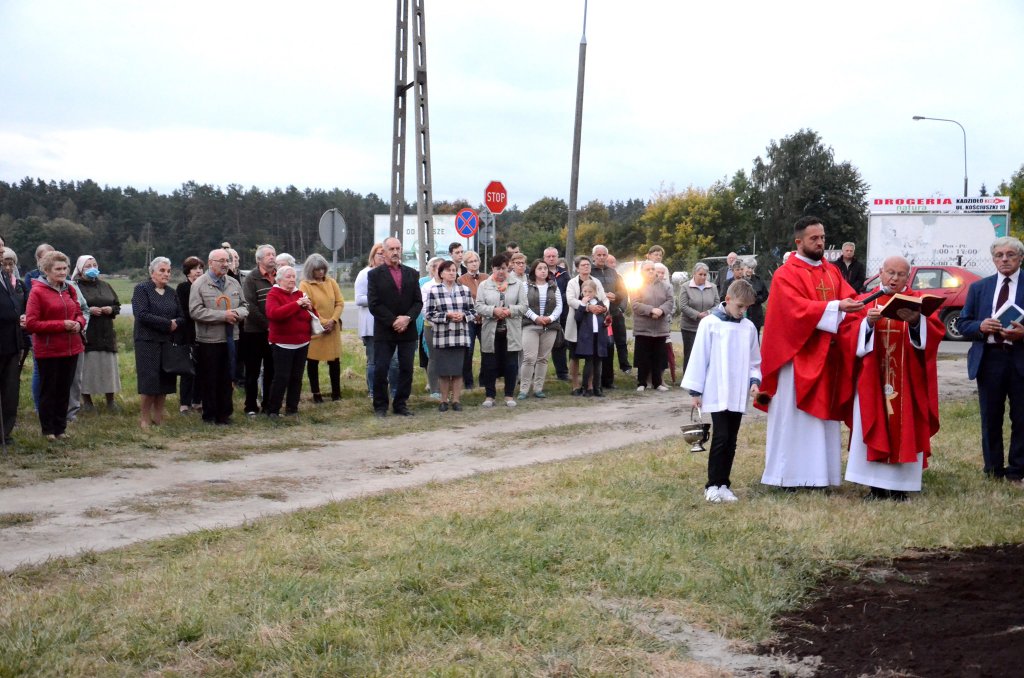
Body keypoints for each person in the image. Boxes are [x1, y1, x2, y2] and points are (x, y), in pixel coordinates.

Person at [756, 216, 864, 488]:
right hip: (795, 356)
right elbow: (792, 311)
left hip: (826, 355)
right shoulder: (786, 274)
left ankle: (821, 476)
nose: (820, 243)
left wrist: (865, 309)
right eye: (814, 238)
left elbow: (851, 300)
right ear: (799, 241)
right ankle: (787, 476)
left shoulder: (832, 271)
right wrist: (835, 308)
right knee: (793, 419)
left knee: (822, 421)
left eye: (823, 238)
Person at [844, 256, 944, 500]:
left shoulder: (917, 302)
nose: (895, 278)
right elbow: (848, 336)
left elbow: (933, 336)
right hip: (872, 380)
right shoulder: (865, 301)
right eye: (890, 272)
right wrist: (867, 324)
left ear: (908, 276)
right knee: (874, 423)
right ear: (880, 272)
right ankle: (875, 488)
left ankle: (900, 489)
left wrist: (915, 323)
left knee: (905, 426)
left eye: (901, 274)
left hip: (906, 381)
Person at [681, 279, 762, 503]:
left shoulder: (748, 328)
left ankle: (724, 484)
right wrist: (695, 392)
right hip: (717, 390)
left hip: (737, 393)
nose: (743, 311)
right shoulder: (710, 324)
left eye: (747, 307)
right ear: (727, 300)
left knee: (732, 439)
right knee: (721, 437)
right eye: (739, 306)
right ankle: (712, 485)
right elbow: (699, 356)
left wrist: (754, 381)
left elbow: (755, 361)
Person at [958, 236, 1024, 481]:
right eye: (999, 255)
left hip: (1020, 358)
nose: (1004, 259)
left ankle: (1017, 471)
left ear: (1020, 258)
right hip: (990, 360)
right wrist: (981, 325)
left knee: (1021, 418)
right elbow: (963, 324)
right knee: (990, 417)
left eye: (1010, 255)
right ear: (993, 259)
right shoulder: (979, 288)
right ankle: (993, 470)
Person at [25, 251, 85, 441]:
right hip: (49, 350)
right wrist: (62, 325)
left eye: (65, 268)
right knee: (48, 391)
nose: (62, 272)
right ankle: (48, 429)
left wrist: (79, 323)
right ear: (47, 271)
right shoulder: (37, 292)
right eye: (58, 269)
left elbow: (79, 311)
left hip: (71, 348)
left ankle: (61, 428)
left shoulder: (70, 289)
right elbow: (32, 324)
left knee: (64, 390)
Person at [190, 248, 249, 425]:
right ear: (210, 263)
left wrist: (236, 314)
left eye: (227, 261)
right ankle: (210, 415)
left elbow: (245, 305)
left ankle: (225, 414)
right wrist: (223, 316)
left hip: (232, 339)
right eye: (220, 261)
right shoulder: (199, 284)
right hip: (209, 340)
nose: (225, 264)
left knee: (227, 377)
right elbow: (195, 311)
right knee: (210, 378)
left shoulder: (233, 283)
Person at [368, 236, 422, 417]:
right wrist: (393, 321)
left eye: (398, 249)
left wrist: (407, 318)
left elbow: (417, 302)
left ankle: (401, 404)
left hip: (408, 329)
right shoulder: (374, 275)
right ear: (383, 252)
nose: (395, 252)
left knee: (406, 368)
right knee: (381, 368)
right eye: (391, 249)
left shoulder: (412, 273)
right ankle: (381, 406)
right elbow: (374, 304)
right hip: (385, 329)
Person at [132, 257, 185, 429]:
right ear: (152, 272)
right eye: (162, 270)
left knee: (165, 380)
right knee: (149, 382)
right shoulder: (142, 289)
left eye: (168, 271)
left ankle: (159, 416)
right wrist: (167, 323)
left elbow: (181, 316)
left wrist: (176, 322)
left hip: (166, 342)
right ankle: (145, 418)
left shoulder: (171, 292)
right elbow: (142, 314)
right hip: (147, 342)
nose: (166, 274)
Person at [476, 253, 527, 408]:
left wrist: (509, 310)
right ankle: (490, 395)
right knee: (489, 365)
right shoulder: (484, 285)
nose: (500, 272)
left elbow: (524, 306)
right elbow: (478, 305)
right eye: (497, 268)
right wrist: (493, 311)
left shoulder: (517, 284)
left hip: (510, 331)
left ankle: (509, 395)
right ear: (492, 268)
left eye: (504, 268)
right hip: (490, 331)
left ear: (508, 268)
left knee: (511, 364)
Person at [72, 255, 121, 412]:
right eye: (88, 266)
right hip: (88, 333)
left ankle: (110, 401)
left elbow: (117, 305)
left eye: (94, 264)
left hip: (106, 332)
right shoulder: (75, 287)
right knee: (87, 369)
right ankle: (87, 401)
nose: (92, 268)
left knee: (108, 368)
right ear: (80, 269)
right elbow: (73, 307)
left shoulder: (106, 285)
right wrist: (89, 310)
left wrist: (110, 309)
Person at [265, 265, 315, 417]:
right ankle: (273, 410)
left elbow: (312, 315)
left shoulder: (300, 293)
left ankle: (292, 408)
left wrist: (310, 307)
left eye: (294, 276)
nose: (292, 279)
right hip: (282, 344)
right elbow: (274, 314)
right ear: (279, 279)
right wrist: (297, 304)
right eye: (288, 276)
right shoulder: (274, 294)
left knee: (297, 377)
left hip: (302, 342)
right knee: (281, 377)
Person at [425, 260, 475, 411]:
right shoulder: (434, 291)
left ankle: (456, 400)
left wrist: (463, 316)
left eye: (454, 270)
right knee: (444, 371)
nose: (452, 273)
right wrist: (447, 316)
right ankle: (443, 400)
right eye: (448, 270)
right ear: (441, 273)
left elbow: (473, 311)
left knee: (458, 370)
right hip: (443, 335)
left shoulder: (464, 290)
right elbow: (429, 314)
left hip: (461, 335)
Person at [300, 254, 344, 403]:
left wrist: (333, 320)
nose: (321, 272)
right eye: (317, 269)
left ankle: (336, 393)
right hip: (316, 329)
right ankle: (316, 394)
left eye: (323, 269)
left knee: (334, 361)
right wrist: (324, 322)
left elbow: (340, 302)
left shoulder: (331, 282)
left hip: (333, 329)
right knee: (313, 361)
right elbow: (308, 307)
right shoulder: (305, 285)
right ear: (310, 270)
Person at [355, 243, 397, 399]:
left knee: (394, 361)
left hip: (390, 324)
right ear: (373, 256)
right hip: (371, 325)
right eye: (379, 253)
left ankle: (394, 391)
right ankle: (374, 392)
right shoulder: (365, 274)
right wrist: (378, 299)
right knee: (374, 361)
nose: (382, 256)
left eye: (384, 253)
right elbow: (359, 299)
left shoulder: (392, 273)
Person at [518, 258, 563, 399]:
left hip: (549, 327)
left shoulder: (553, 286)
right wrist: (536, 318)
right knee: (529, 358)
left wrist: (549, 319)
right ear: (534, 271)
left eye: (545, 268)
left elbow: (559, 306)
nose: (543, 271)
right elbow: (523, 305)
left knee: (543, 359)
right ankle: (524, 389)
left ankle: (538, 388)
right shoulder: (525, 286)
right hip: (530, 325)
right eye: (540, 268)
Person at [241, 244, 277, 416]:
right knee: (253, 371)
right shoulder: (251, 279)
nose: (272, 257)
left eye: (274, 254)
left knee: (272, 369)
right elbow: (250, 306)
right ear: (259, 260)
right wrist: (268, 325)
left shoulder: (279, 276)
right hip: (254, 332)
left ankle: (268, 404)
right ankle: (250, 406)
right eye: (268, 255)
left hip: (275, 333)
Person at [564, 256, 607, 395]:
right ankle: (575, 385)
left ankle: (590, 385)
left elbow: (604, 298)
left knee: (592, 357)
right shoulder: (572, 282)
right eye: (582, 265)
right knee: (575, 356)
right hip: (577, 323)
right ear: (577, 268)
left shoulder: (596, 282)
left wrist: (603, 309)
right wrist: (587, 307)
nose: (586, 267)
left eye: (588, 264)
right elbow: (570, 300)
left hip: (593, 324)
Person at [591, 245, 630, 387]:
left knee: (612, 345)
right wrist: (601, 296)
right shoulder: (590, 272)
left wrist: (616, 296)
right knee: (601, 346)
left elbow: (623, 292)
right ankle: (597, 380)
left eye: (604, 255)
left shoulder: (614, 273)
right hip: (598, 314)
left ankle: (609, 380)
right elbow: (587, 290)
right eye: (599, 255)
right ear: (593, 256)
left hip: (614, 313)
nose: (601, 257)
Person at [632, 261, 674, 392]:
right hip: (643, 327)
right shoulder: (636, 285)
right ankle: (642, 382)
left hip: (660, 327)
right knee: (643, 356)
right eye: (647, 269)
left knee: (659, 356)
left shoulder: (665, 286)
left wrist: (661, 310)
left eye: (652, 269)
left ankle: (658, 383)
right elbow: (635, 304)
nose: (651, 271)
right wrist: (651, 310)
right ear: (642, 272)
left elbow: (670, 301)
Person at [0, 248, 27, 445]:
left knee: (10, 390)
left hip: (12, 341)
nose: (2, 252)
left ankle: (4, 434)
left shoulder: (6, 276)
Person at [176, 256, 204, 414]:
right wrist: (200, 313)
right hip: (187, 332)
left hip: (204, 332)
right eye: (194, 268)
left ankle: (197, 400)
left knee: (201, 368)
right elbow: (182, 311)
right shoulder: (182, 288)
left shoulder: (207, 286)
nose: (198, 271)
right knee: (187, 369)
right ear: (187, 271)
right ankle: (184, 403)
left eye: (200, 268)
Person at [679, 262, 720, 372]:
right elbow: (682, 306)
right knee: (690, 353)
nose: (703, 277)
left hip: (708, 326)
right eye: (700, 274)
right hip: (689, 327)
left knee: (706, 352)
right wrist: (697, 315)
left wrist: (708, 313)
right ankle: (688, 377)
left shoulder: (713, 287)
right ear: (694, 274)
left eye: (705, 275)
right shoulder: (685, 287)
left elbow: (717, 305)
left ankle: (705, 376)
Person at [574, 280, 608, 397]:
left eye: (590, 291)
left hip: (599, 336)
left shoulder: (600, 303)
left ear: (595, 292)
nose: (588, 294)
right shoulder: (582, 304)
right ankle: (585, 388)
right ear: (582, 292)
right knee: (589, 363)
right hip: (587, 337)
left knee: (598, 363)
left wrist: (606, 320)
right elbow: (577, 318)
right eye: (585, 291)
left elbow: (605, 316)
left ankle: (597, 388)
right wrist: (583, 305)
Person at [457, 250, 485, 389]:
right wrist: (473, 314)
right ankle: (468, 382)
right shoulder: (461, 280)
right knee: (468, 351)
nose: (474, 264)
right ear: (465, 264)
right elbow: (462, 301)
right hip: (469, 320)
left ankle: (484, 380)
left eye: (476, 261)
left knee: (487, 349)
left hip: (486, 319)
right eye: (470, 261)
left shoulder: (486, 277)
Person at [543, 246, 572, 382]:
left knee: (560, 343)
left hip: (564, 313)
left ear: (557, 257)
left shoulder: (564, 273)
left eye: (553, 256)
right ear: (544, 258)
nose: (551, 258)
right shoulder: (540, 272)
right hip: (546, 313)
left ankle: (562, 372)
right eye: (548, 256)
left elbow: (570, 290)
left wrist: (561, 298)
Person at [420, 256, 444, 399]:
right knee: (434, 357)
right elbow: (425, 310)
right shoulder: (427, 287)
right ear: (434, 270)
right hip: (432, 326)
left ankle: (446, 387)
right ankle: (434, 389)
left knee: (447, 357)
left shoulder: (452, 285)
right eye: (440, 268)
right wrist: (440, 321)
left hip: (450, 327)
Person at [654, 262, 677, 384]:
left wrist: (663, 312)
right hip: (650, 322)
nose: (660, 274)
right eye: (658, 272)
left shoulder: (669, 287)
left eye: (663, 273)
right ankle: (648, 379)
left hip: (665, 323)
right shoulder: (646, 286)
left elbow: (673, 305)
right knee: (651, 351)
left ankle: (661, 379)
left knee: (664, 352)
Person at [742, 258, 769, 334]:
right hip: (741, 313)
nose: (750, 270)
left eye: (752, 268)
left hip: (755, 314)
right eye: (748, 267)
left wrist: (755, 299)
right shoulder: (738, 279)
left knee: (755, 340)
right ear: (743, 267)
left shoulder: (758, 280)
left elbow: (765, 294)